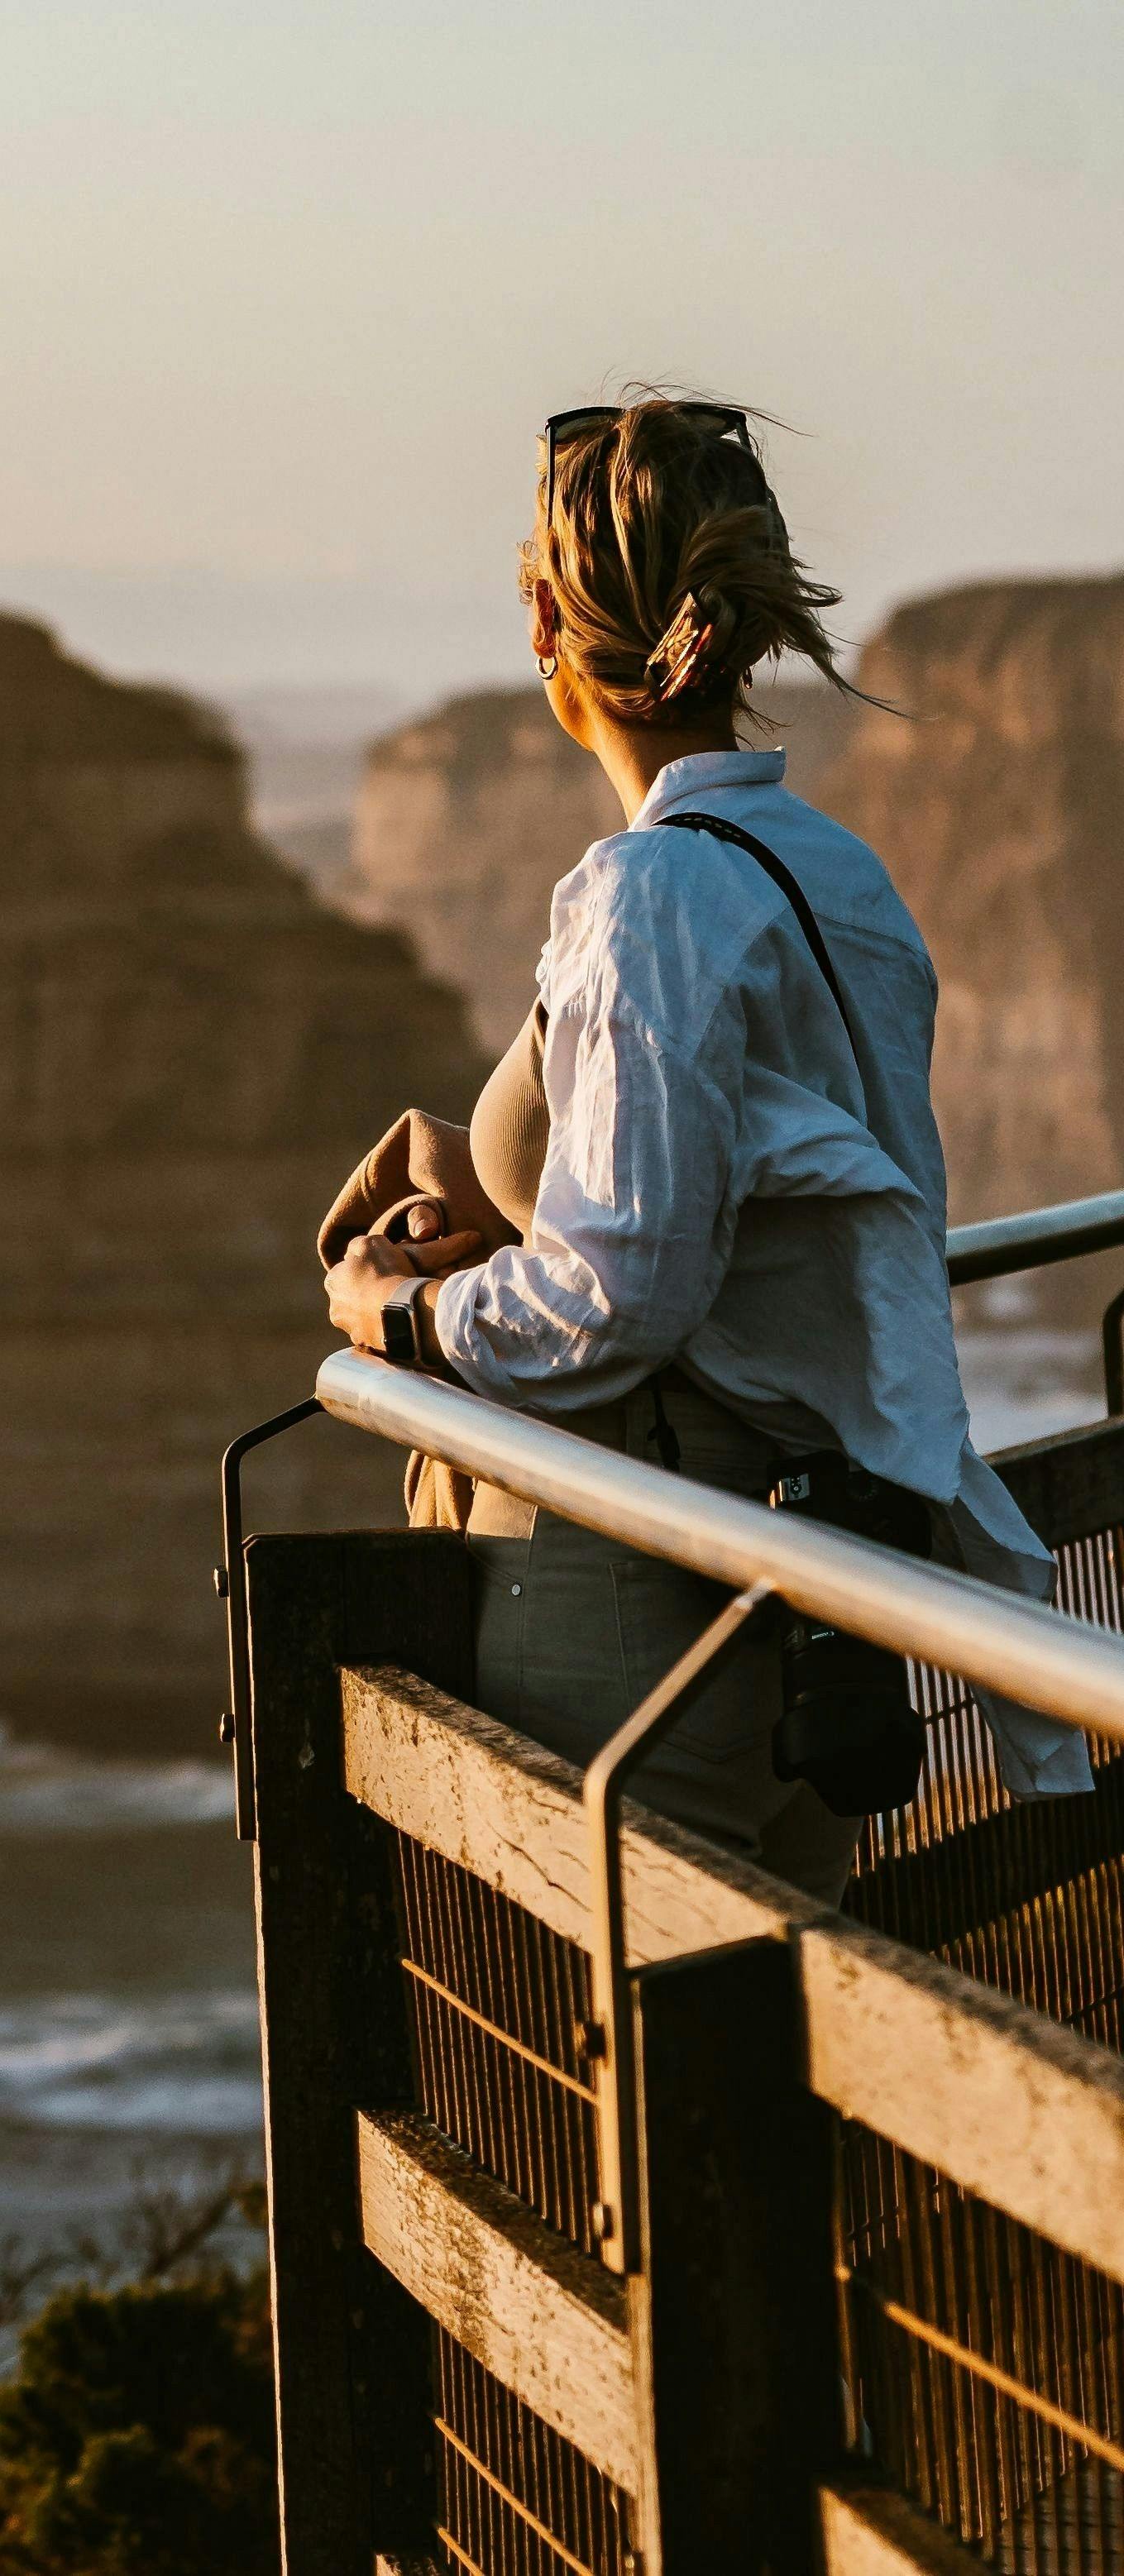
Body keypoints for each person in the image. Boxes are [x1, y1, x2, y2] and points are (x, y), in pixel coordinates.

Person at [318, 393, 1088, 1900]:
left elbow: (622, 1298)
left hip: (635, 1592)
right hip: (815, 1573)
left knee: (610, 2081)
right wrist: (496, 1191)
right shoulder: (832, 871)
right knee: (782, 2050)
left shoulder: (648, 897)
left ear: (546, 623)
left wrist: (400, 1313)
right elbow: (766, 1202)